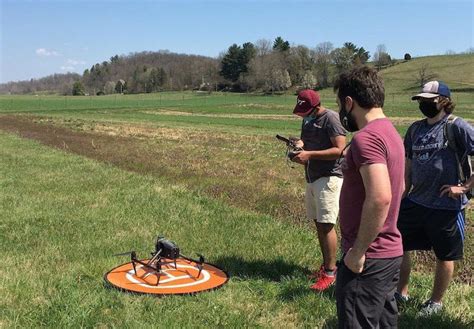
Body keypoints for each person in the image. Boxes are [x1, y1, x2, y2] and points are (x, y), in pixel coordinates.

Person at [334, 66, 405, 328]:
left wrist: (358, 251)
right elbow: (402, 187)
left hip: (368, 258)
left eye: (341, 105)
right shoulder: (391, 133)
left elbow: (380, 197)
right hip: (389, 253)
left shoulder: (367, 138)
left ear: (349, 102)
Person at [396, 81, 473, 316]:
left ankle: (435, 303)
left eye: (428, 100)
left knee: (445, 255)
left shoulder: (456, 126)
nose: (424, 104)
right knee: (401, 246)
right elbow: (408, 167)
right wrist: (401, 196)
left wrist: (466, 187)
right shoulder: (415, 130)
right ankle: (401, 293)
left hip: (446, 207)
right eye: (421, 100)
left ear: (443, 101)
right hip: (416, 201)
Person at [291, 89, 347, 291]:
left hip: (329, 178)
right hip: (312, 176)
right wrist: (299, 145)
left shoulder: (331, 118)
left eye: (305, 111)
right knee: (319, 224)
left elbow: (340, 149)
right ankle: (326, 267)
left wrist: (310, 155)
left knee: (327, 225)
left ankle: (331, 273)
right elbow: (306, 141)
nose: (302, 115)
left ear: (316, 106)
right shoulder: (307, 119)